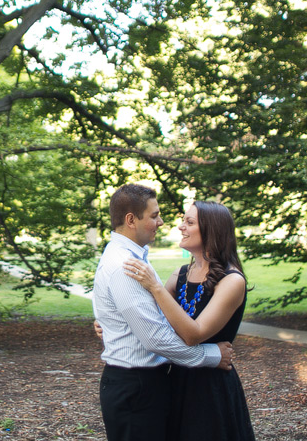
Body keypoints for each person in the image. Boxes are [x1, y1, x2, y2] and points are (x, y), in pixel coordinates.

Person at [93, 184, 233, 441]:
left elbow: (156, 315)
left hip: (156, 385)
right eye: (155, 215)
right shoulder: (126, 265)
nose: (162, 221)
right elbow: (155, 338)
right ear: (131, 220)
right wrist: (213, 355)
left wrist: (113, 323)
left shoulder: (136, 259)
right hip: (137, 387)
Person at [123, 200, 256, 441]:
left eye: (189, 222)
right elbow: (150, 318)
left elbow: (194, 334)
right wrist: (112, 326)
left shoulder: (232, 281)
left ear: (211, 230)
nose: (180, 227)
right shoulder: (181, 274)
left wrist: (154, 286)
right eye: (184, 221)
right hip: (175, 378)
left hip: (210, 388)